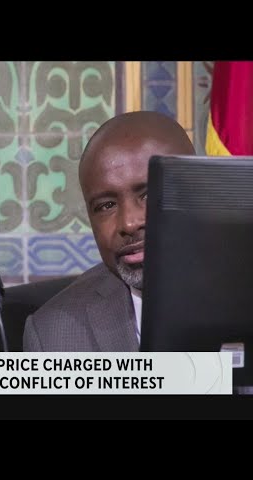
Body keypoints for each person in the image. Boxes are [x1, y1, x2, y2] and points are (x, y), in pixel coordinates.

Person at [23, 111, 196, 351]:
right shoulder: (54, 336)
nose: (129, 223)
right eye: (106, 206)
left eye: (149, 195)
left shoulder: (242, 291)